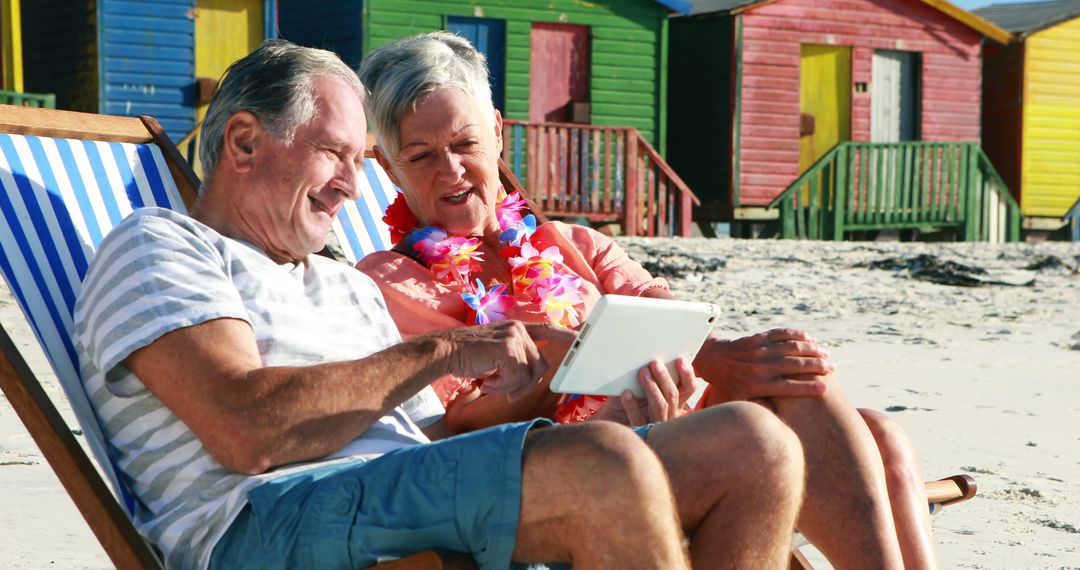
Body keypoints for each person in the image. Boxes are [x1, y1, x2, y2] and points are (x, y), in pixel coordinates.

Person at [73, 39, 806, 570]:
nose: (353, 188)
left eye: (360, 164)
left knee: (752, 446)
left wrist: (588, 406)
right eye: (334, 154)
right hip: (266, 520)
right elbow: (248, 430)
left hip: (392, 498)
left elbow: (435, 452)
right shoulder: (162, 246)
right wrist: (446, 350)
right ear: (242, 142)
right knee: (603, 465)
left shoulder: (344, 285)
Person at [355, 32, 937, 570]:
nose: (451, 169)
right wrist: (553, 374)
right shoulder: (390, 280)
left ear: (499, 135)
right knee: (814, 421)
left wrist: (705, 361)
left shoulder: (574, 244)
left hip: (662, 430)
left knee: (854, 418)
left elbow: (671, 321)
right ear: (387, 165)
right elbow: (450, 427)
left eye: (465, 143)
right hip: (549, 471)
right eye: (422, 155)